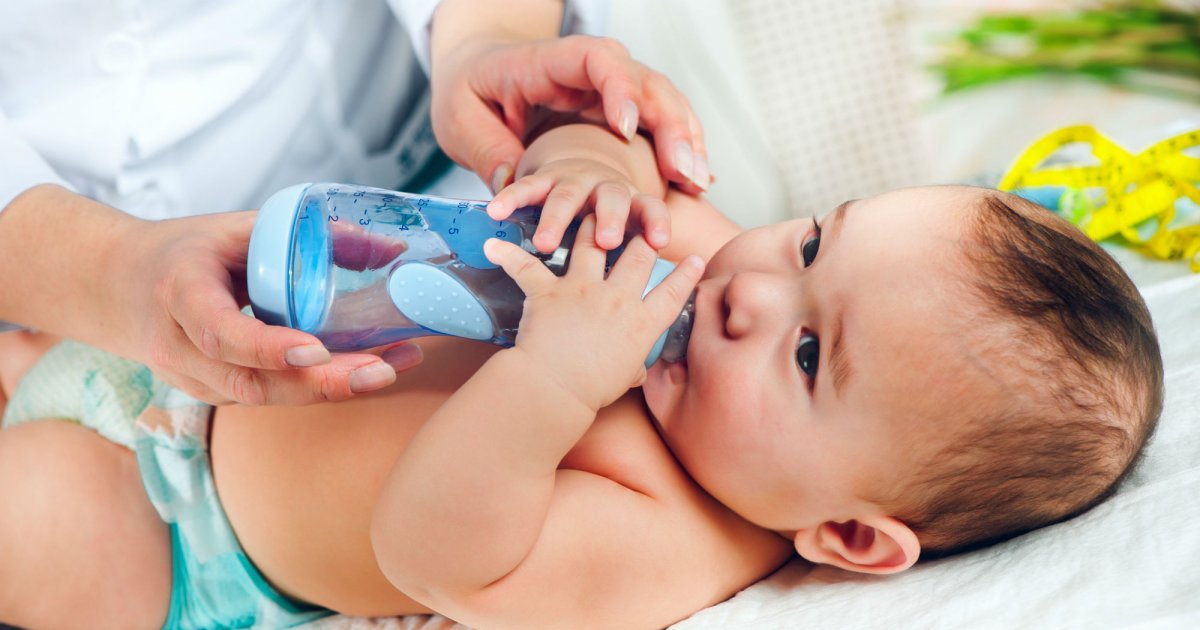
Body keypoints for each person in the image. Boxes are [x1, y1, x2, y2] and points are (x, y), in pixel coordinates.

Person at [0, 119, 1162, 628]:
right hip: (183, 346)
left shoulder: (674, 537)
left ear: (852, 538)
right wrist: (591, 165)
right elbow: (629, 190)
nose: (756, 285)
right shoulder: (712, 293)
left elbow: (433, 552)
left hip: (180, 528)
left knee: (25, 519)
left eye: (810, 353)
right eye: (813, 239)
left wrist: (553, 386)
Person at [0, 0, 710, 407]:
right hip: (50, 274)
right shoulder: (701, 290)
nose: (746, 300)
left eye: (807, 352)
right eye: (802, 248)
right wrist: (98, 272)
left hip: (449, 140)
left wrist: (488, 40)